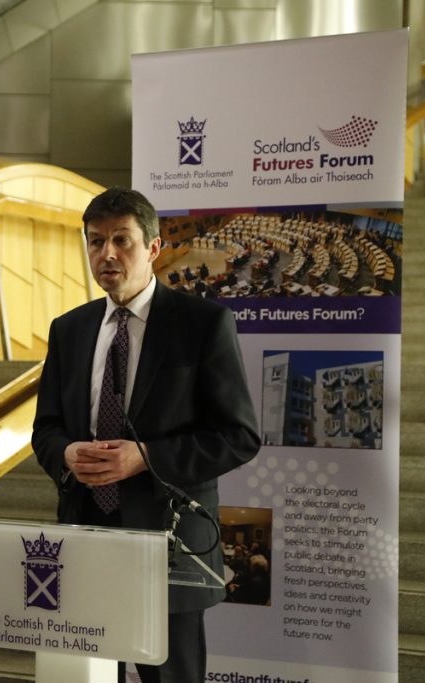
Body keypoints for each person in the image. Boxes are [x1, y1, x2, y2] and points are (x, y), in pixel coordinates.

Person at [32, 187, 261, 683]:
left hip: (168, 547)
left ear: (154, 249)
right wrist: (67, 453)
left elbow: (240, 435)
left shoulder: (202, 325)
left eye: (121, 240)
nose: (106, 254)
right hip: (86, 539)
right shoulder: (68, 329)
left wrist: (146, 458)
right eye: (95, 242)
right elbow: (45, 429)